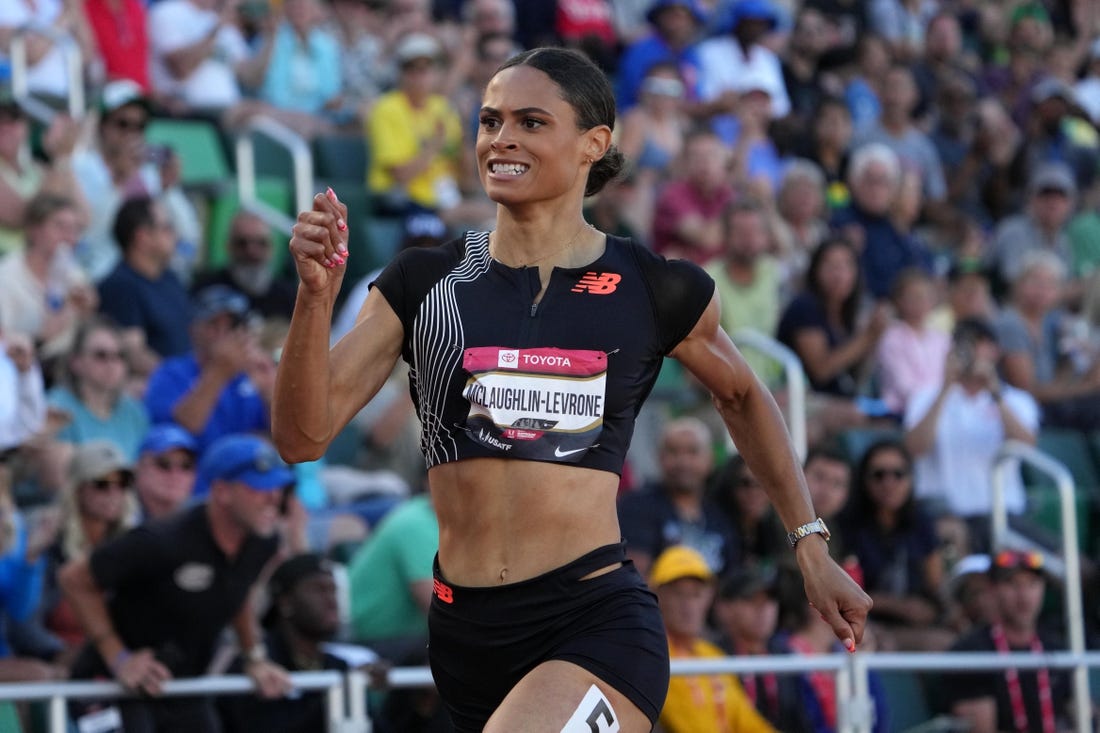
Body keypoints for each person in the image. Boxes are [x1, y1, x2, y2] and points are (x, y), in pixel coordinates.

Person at [272, 47, 870, 733]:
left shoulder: (651, 286)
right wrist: (314, 300)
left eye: (531, 122)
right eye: (491, 120)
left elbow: (741, 396)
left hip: (593, 620)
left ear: (595, 144)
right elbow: (301, 436)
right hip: (466, 637)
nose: (502, 139)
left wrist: (809, 542)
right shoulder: (425, 282)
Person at [58, 433, 295, 732]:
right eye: (259, 488)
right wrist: (119, 657)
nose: (274, 498)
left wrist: (255, 657)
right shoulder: (164, 539)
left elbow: (239, 590)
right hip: (112, 686)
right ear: (222, 491)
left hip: (183, 686)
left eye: (277, 487)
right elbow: (74, 579)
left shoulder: (264, 540)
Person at [649, 545, 777, 732]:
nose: (689, 605)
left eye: (696, 594)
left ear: (708, 598)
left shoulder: (713, 655)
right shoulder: (651, 657)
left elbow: (748, 722)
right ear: (657, 597)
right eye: (679, 593)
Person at [218, 553, 349, 733]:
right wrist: (335, 699)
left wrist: (358, 686)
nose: (331, 601)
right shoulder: (255, 666)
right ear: (285, 601)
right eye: (318, 590)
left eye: (333, 590)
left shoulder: (338, 666)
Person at [944, 549, 1072, 733]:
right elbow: (981, 729)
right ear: (992, 590)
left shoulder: (1057, 648)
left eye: (1032, 584)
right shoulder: (970, 653)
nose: (1024, 596)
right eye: (1012, 584)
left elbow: (1082, 712)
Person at [144, 285, 268, 455]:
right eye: (213, 324)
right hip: (188, 476)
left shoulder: (250, 375)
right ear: (193, 329)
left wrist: (270, 386)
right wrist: (219, 371)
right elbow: (184, 429)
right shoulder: (170, 373)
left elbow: (281, 434)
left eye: (232, 326)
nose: (222, 334)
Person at [618, 417, 740, 577]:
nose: (683, 462)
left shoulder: (721, 514)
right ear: (659, 457)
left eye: (693, 452)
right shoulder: (635, 506)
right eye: (673, 452)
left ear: (710, 459)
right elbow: (635, 576)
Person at [712, 565, 811, 731]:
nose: (763, 609)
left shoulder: (787, 657)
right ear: (725, 608)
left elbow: (802, 722)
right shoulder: (712, 656)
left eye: (770, 600)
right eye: (751, 600)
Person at [97, 195, 194, 364]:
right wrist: (176, 379)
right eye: (167, 228)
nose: (176, 235)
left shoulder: (170, 278)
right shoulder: (120, 286)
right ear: (143, 237)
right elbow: (134, 355)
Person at [191, 210, 298, 321]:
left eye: (261, 243)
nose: (252, 251)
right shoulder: (206, 289)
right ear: (228, 247)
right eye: (242, 243)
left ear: (271, 248)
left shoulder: (289, 296)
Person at [133, 423, 198, 521]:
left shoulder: (201, 521)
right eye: (164, 464)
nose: (175, 474)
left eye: (186, 466)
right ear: (139, 468)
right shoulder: (119, 516)